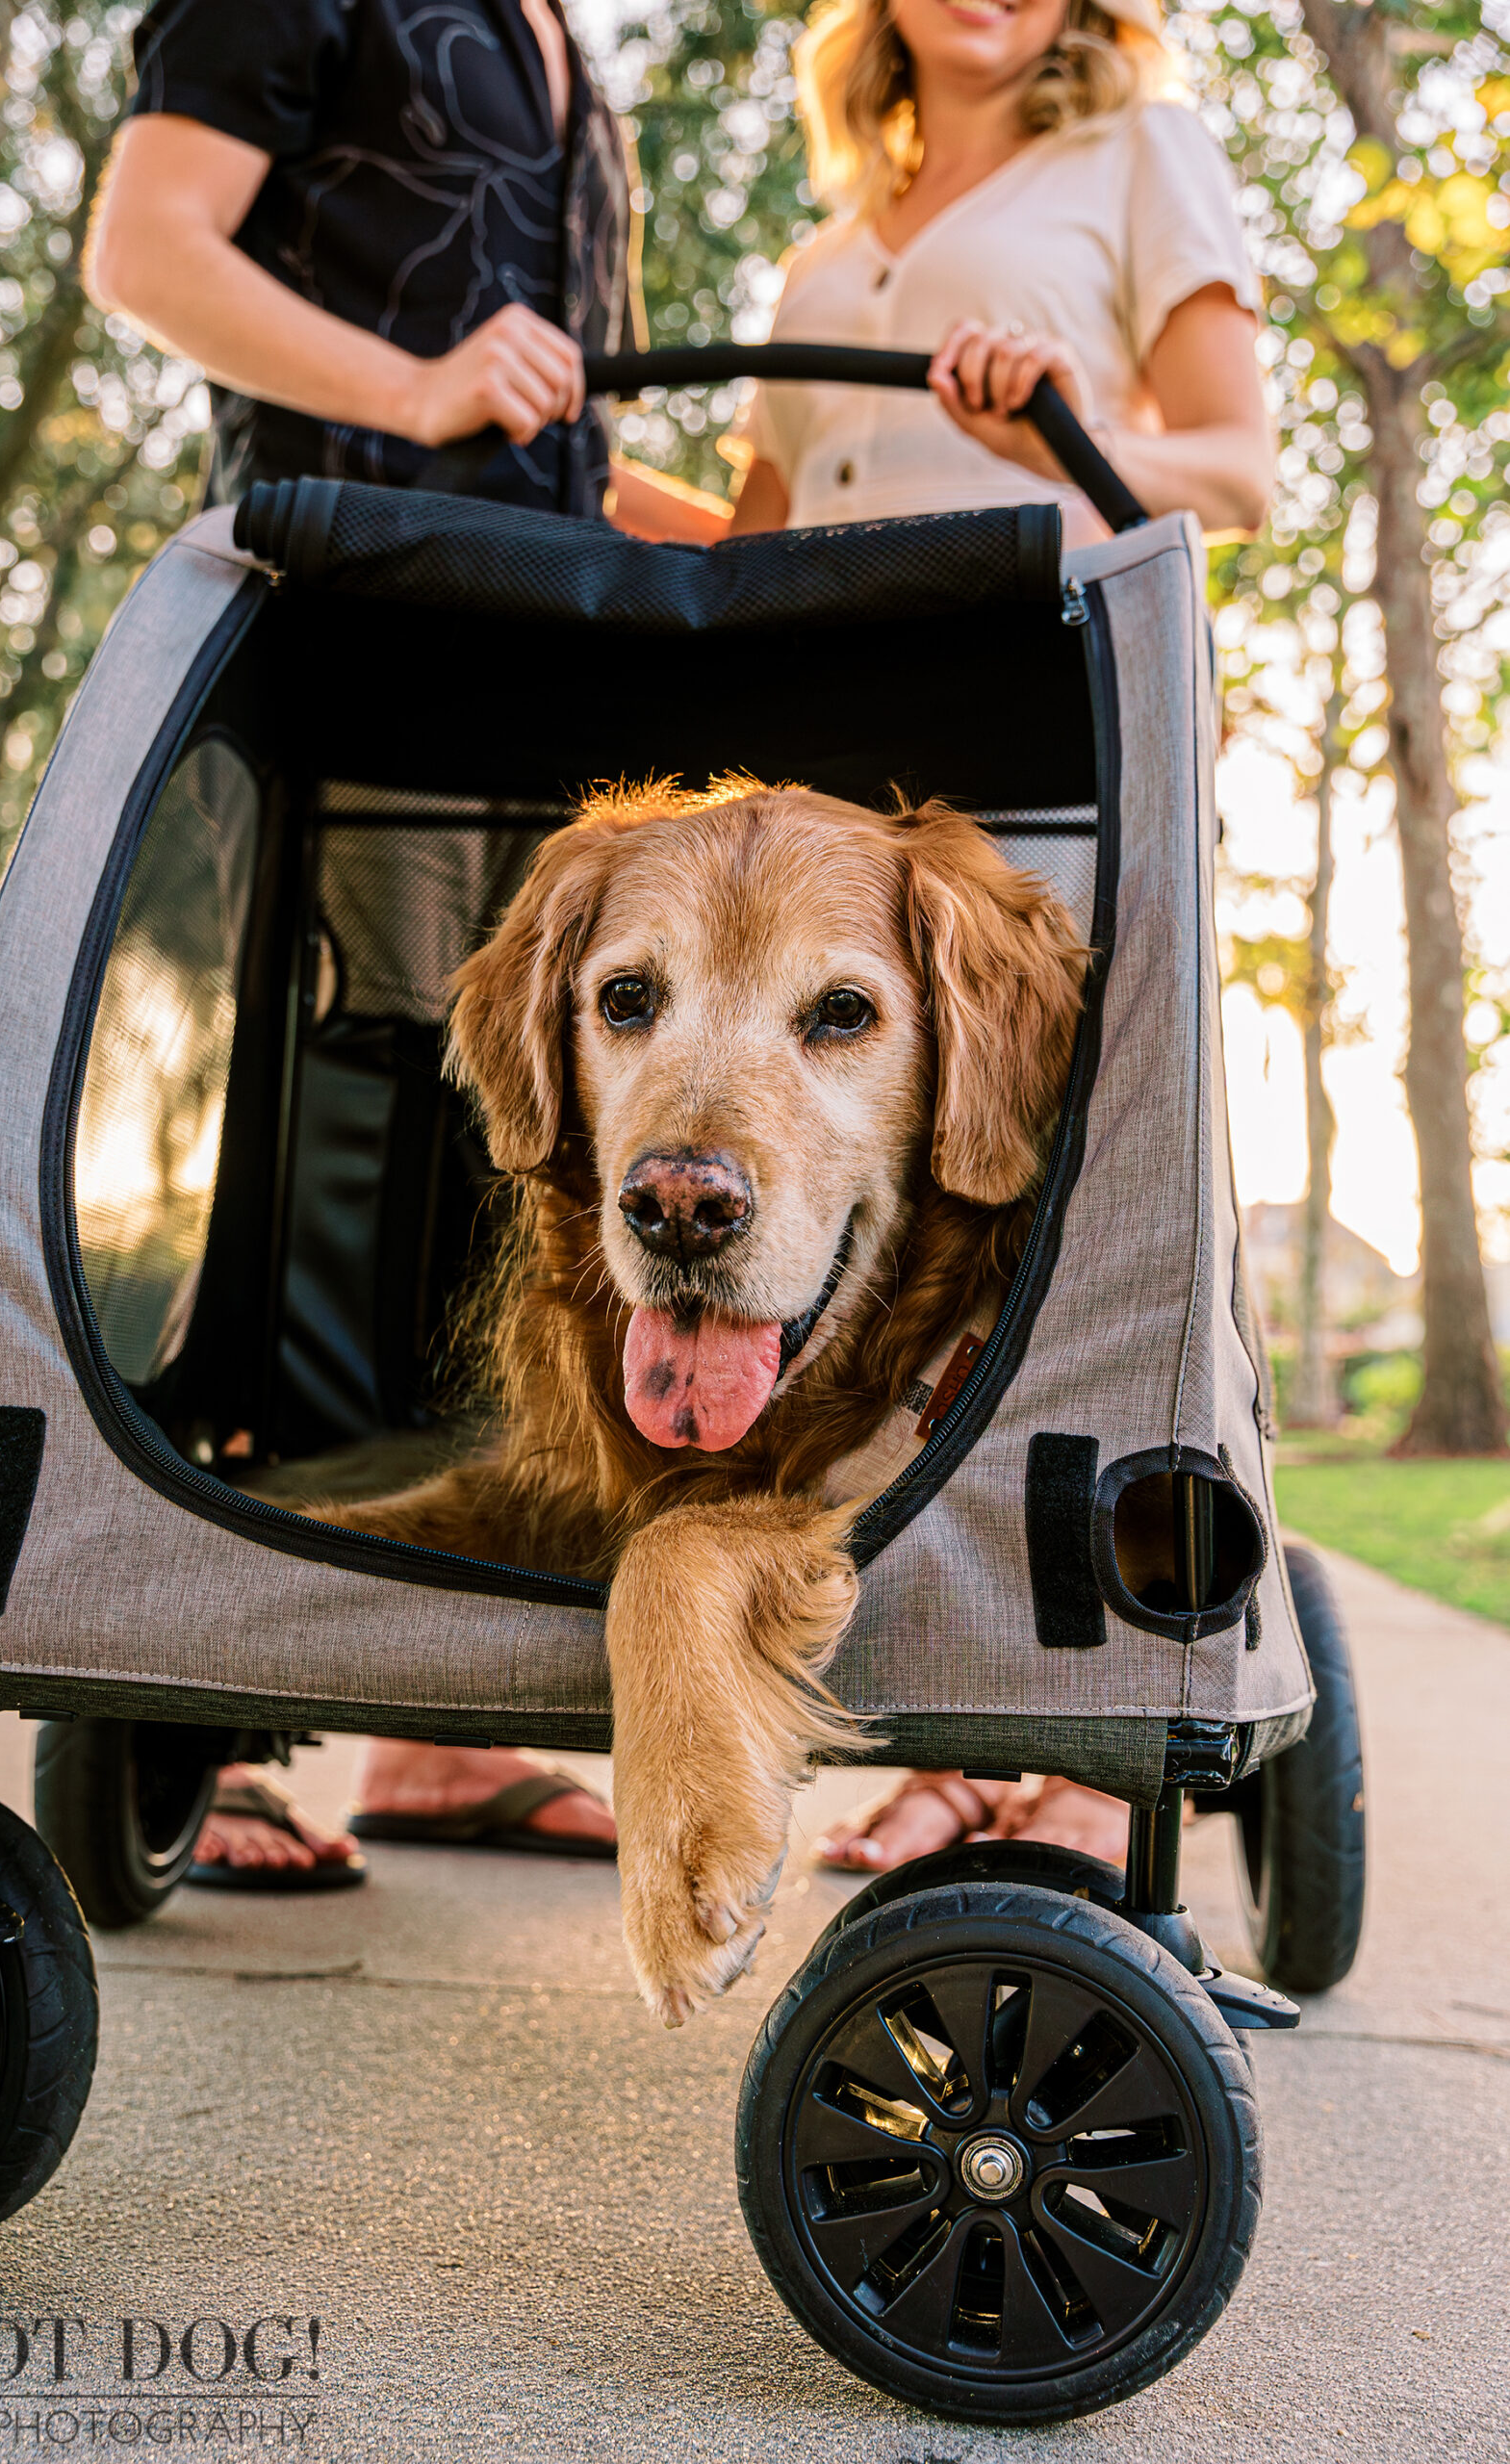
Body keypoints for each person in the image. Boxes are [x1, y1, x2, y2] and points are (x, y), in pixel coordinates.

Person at [90, 0, 728, 1881]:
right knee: (302, 1156)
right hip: (332, 672)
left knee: (491, 1169)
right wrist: (416, 384)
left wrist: (754, 537)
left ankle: (421, 1728)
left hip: (522, 689)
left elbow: (551, 440)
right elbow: (144, 249)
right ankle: (212, 1696)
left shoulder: (563, 60)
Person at [728, 0, 1272, 1870]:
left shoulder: (1137, 161)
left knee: (1061, 1229)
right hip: (833, 835)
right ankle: (946, 1705)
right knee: (888, 1273)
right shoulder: (824, 240)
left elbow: (1237, 467)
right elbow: (750, 546)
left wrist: (1064, 422)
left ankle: (1070, 1734)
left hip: (1056, 778)